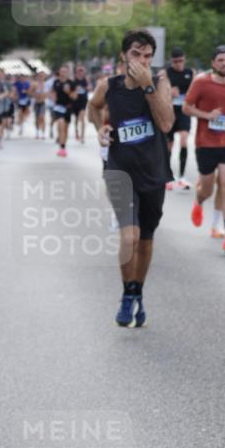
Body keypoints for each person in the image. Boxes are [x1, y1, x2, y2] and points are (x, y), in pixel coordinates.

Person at [88, 30, 174, 328]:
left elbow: (165, 122)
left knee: (146, 239)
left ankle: (138, 289)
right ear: (124, 55)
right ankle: (127, 294)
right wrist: (100, 128)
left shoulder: (159, 83)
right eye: (137, 54)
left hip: (153, 171)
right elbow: (93, 108)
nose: (142, 60)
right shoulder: (108, 86)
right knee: (130, 236)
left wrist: (149, 86)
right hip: (119, 169)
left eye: (148, 55)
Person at [183, 45, 225, 255]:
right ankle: (199, 201)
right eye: (220, 60)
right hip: (206, 143)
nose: (224, 63)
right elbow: (186, 107)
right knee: (208, 188)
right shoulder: (201, 82)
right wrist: (207, 116)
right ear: (213, 63)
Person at [165, 46, 194, 191]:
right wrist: (168, 92)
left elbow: (196, 91)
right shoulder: (165, 73)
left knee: (184, 140)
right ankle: (167, 175)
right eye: (175, 61)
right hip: (169, 111)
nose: (178, 64)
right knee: (169, 145)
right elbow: (157, 92)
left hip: (183, 111)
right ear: (171, 61)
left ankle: (182, 176)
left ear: (184, 59)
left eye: (181, 61)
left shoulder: (190, 73)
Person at [52, 66, 76, 157]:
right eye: (62, 71)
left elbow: (75, 97)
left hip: (68, 107)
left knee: (65, 128)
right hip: (58, 107)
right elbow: (54, 93)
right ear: (60, 72)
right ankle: (61, 147)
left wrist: (68, 92)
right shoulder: (56, 82)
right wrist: (53, 102)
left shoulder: (71, 83)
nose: (63, 73)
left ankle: (63, 147)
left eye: (65, 71)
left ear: (68, 72)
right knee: (60, 124)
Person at [71, 64, 90, 144]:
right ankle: (76, 132)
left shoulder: (85, 79)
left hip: (83, 100)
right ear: (77, 72)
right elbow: (71, 90)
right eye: (79, 71)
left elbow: (89, 87)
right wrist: (75, 90)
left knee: (82, 118)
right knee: (76, 119)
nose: (81, 72)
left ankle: (82, 136)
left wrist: (86, 88)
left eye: (82, 71)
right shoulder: (73, 80)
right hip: (75, 101)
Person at [30, 71, 48, 138]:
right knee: (37, 118)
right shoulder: (34, 84)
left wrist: (44, 95)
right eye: (40, 76)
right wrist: (35, 95)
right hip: (36, 103)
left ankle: (43, 133)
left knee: (42, 117)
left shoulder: (46, 84)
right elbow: (30, 93)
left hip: (43, 103)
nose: (41, 77)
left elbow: (48, 93)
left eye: (42, 76)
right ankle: (37, 132)